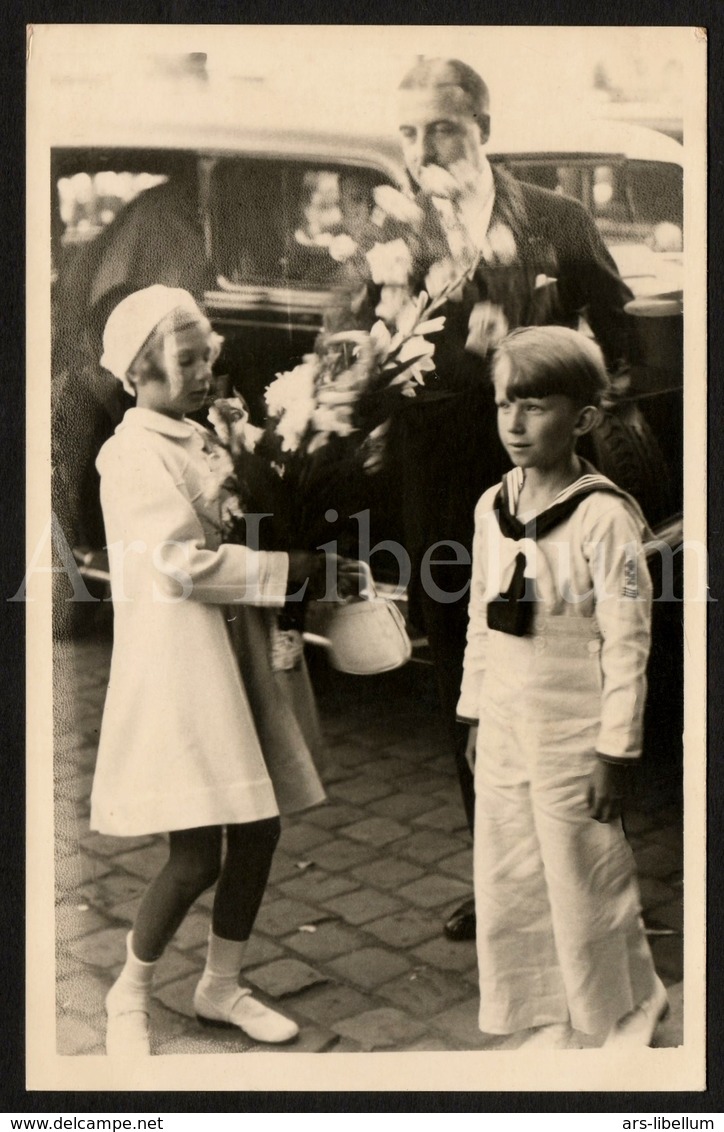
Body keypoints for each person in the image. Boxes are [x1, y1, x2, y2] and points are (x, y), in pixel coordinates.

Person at [390, 57, 640, 941]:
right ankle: (500, 873)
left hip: (545, 487)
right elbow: (360, 344)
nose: (425, 151)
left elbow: (618, 333)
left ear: (483, 128)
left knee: (566, 660)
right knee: (469, 671)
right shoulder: (394, 231)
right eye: (410, 134)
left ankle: (583, 870)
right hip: (440, 491)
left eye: (443, 130)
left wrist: (566, 391)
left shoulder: (557, 219)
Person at [92, 285, 356, 1056]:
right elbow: (177, 563)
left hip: (237, 651)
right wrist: (286, 565)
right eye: (187, 359)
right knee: (197, 851)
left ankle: (220, 982)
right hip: (186, 665)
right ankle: (128, 990)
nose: (206, 370)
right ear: (141, 370)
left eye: (209, 354)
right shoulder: (131, 454)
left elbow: (247, 507)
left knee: (262, 827)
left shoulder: (202, 430)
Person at [456, 325, 668, 1047]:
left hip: (575, 732)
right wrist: (476, 714)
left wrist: (616, 749)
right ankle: (541, 1010)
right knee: (511, 871)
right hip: (509, 721)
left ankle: (619, 1010)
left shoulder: (604, 517)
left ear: (581, 419)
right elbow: (482, 620)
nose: (515, 423)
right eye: (504, 405)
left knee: (585, 879)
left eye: (536, 406)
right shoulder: (493, 505)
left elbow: (629, 642)